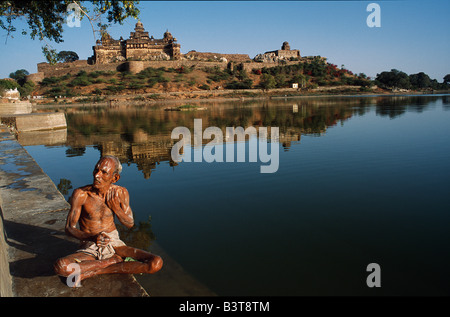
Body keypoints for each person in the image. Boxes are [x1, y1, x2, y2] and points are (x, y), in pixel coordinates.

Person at [54, 155, 163, 284]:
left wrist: (116, 208)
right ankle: (110, 262)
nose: (97, 175)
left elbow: (130, 223)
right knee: (61, 266)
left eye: (104, 172)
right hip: (90, 245)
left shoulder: (120, 193)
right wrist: (93, 238)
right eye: (96, 170)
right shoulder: (81, 194)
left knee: (156, 263)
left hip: (114, 242)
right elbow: (69, 229)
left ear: (115, 178)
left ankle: (96, 270)